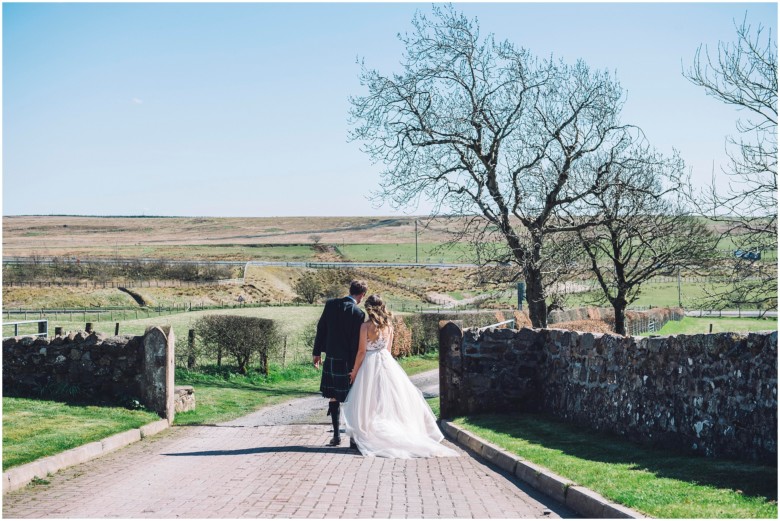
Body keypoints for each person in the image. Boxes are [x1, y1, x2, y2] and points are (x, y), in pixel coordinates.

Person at [342, 294, 458, 458]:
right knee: (390, 399)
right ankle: (392, 427)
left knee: (368, 400)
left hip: (370, 362)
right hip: (386, 361)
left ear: (368, 308)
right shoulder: (389, 325)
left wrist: (354, 371)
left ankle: (369, 433)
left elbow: (361, 351)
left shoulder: (365, 326)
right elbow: (388, 350)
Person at [312, 280, 367, 447]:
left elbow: (321, 328)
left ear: (350, 290)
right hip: (347, 361)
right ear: (362, 295)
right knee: (351, 398)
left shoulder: (330, 305)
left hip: (331, 358)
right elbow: (355, 343)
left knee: (334, 397)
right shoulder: (358, 313)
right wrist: (354, 367)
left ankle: (336, 437)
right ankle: (352, 439)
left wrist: (316, 352)